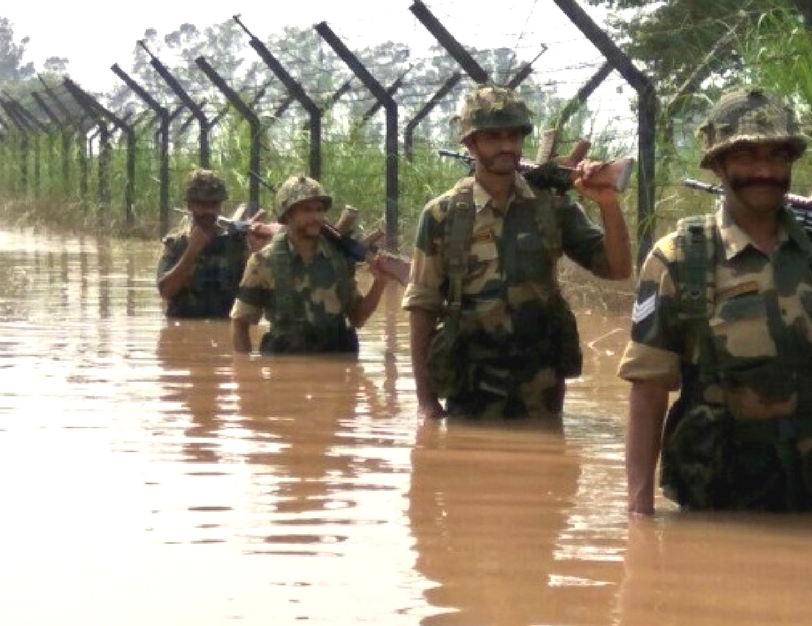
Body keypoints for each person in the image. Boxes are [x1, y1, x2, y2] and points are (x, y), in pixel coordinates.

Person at [619, 87, 812, 515]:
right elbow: (648, 389)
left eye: (777, 157)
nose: (764, 171)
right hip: (717, 511)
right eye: (747, 157)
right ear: (718, 164)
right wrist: (638, 514)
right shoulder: (678, 258)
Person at [402, 84, 633, 419]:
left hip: (542, 388)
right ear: (470, 143)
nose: (507, 146)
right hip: (469, 388)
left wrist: (608, 205)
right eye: (494, 137)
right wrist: (425, 402)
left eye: (514, 136)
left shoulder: (550, 206)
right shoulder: (442, 215)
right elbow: (422, 308)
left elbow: (618, 268)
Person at [231, 175, 391, 355]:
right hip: (285, 372)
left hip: (337, 370)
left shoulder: (337, 259)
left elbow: (358, 318)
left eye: (319, 209)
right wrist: (244, 374)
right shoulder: (263, 261)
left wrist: (380, 283)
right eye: (307, 210)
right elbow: (240, 323)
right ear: (288, 215)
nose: (315, 217)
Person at [156, 168, 251, 319]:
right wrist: (191, 251)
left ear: (220, 206)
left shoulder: (236, 244)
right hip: (183, 334)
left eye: (213, 205)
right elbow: (166, 291)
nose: (208, 211)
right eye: (202, 205)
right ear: (190, 206)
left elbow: (255, 297)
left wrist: (259, 253)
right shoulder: (176, 244)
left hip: (225, 331)